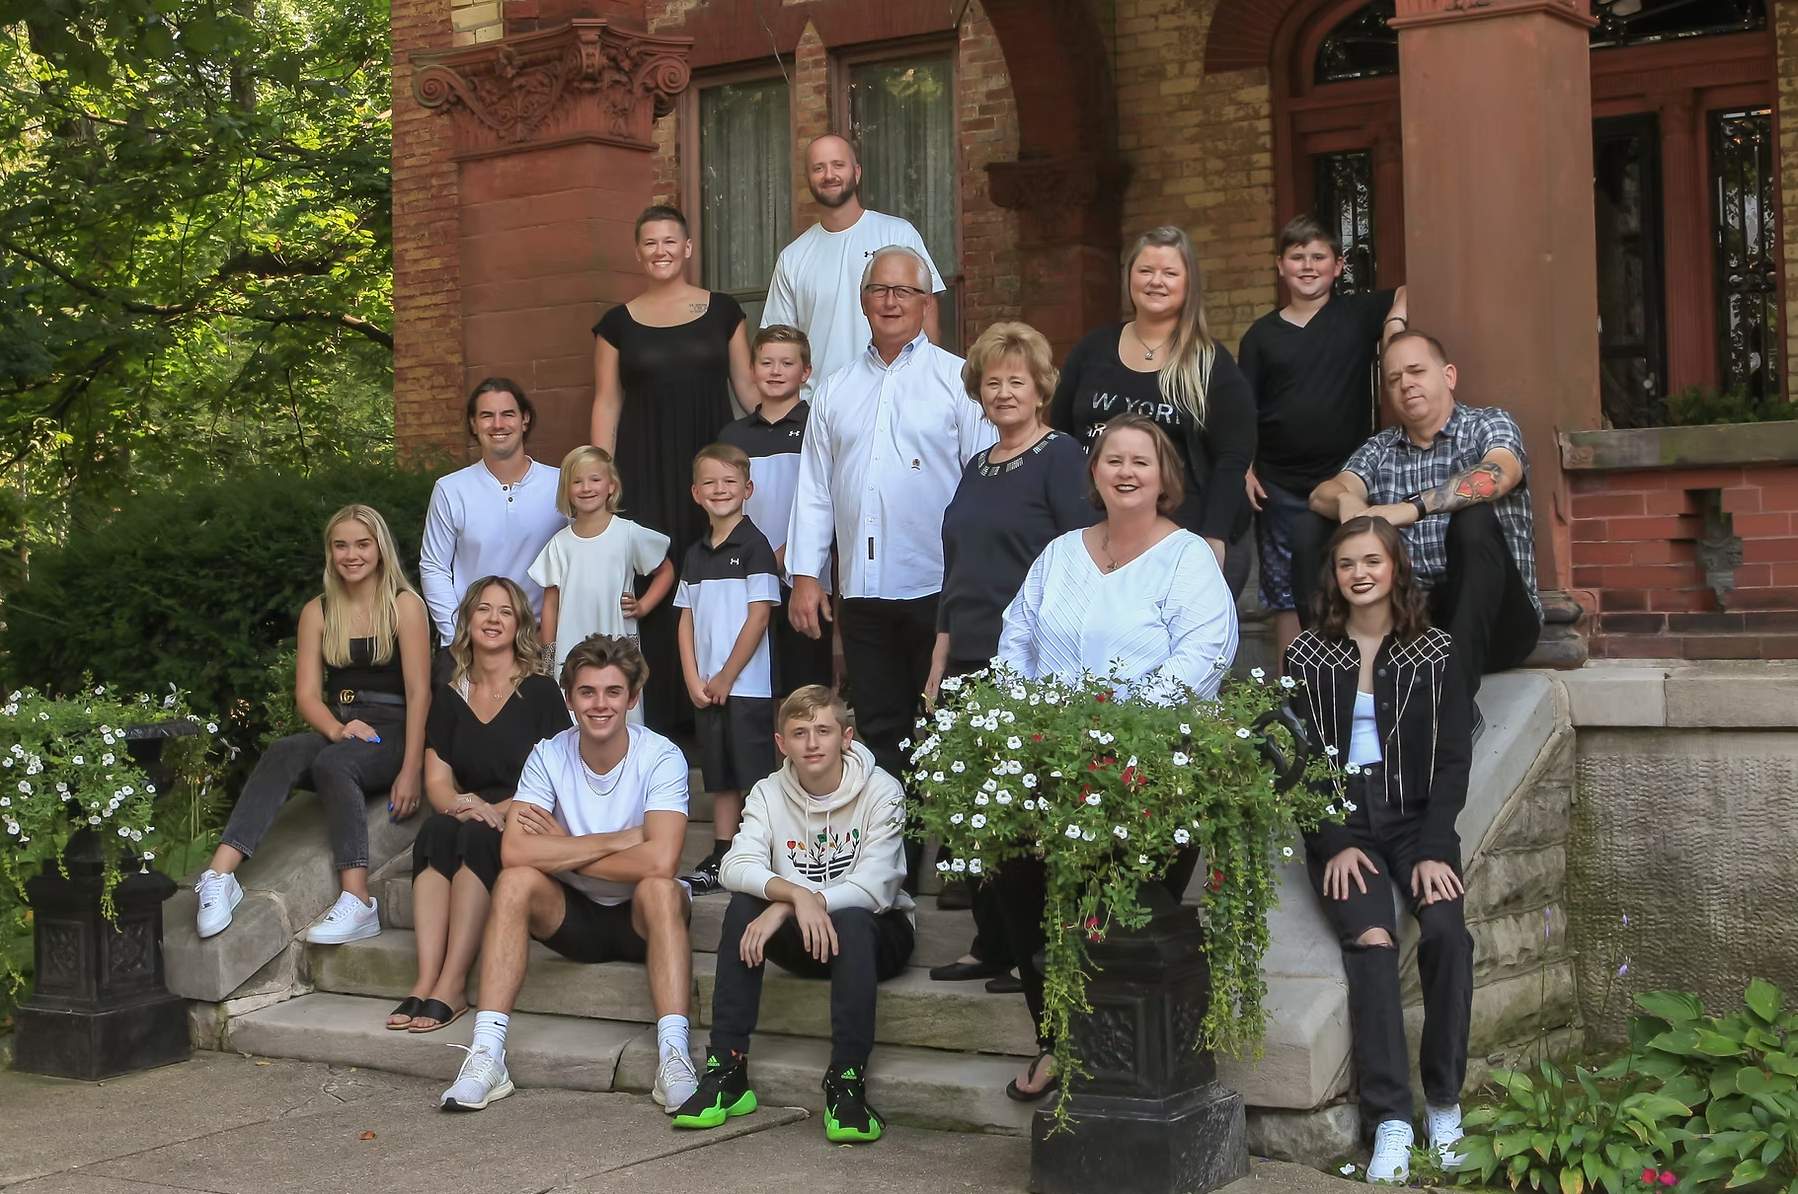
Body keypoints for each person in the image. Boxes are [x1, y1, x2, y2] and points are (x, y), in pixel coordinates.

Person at [991, 413, 1240, 1100]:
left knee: (1123, 905)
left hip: (1150, 766)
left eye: (1142, 461)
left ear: (1165, 478)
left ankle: (1117, 1047)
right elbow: (1018, 638)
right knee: (1020, 880)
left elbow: (1204, 655)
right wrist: (1027, 717)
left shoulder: (1189, 557)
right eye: (1112, 460)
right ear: (1094, 475)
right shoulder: (1061, 552)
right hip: (1050, 756)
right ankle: (1057, 1039)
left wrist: (1119, 730)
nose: (1126, 471)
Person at [786, 245, 997, 883]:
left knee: (952, 720)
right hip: (864, 590)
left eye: (905, 291)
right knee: (879, 724)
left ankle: (959, 862)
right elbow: (815, 488)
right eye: (881, 290)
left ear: (926, 302)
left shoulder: (959, 381)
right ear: (864, 300)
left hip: (939, 583)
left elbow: (985, 480)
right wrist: (806, 575)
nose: (892, 301)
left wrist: (979, 580)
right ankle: (891, 859)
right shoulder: (835, 390)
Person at [1282, 515, 1474, 1184]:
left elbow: (1452, 761)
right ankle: (1390, 1119)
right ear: (1333, 576)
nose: (1359, 573)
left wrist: (1433, 848)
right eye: (1345, 564)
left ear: (1396, 567)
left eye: (1372, 560)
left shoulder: (1437, 652)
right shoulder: (1308, 655)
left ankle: (1444, 1106)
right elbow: (1296, 760)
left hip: (1415, 821)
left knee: (1446, 930)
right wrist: (1330, 840)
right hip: (1344, 819)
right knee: (1371, 939)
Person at [438, 634, 698, 1114]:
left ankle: (674, 1056)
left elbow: (661, 861)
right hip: (572, 914)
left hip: (641, 916)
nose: (600, 705)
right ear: (569, 699)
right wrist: (619, 839)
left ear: (633, 698)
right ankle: (487, 1054)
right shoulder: (548, 754)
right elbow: (515, 851)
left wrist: (559, 846)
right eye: (587, 692)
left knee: (661, 889)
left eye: (613, 692)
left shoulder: (660, 756)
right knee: (514, 882)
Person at [923, 320, 1094, 982]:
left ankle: (1035, 951)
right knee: (976, 811)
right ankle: (989, 943)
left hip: (1027, 662)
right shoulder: (976, 465)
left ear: (1041, 387)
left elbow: (1079, 565)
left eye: (1015, 380)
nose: (1002, 392)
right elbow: (956, 568)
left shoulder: (1061, 457)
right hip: (964, 654)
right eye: (991, 381)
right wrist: (938, 665)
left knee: (1026, 817)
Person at [671, 685, 913, 1144]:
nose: (812, 742)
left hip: (877, 937)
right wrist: (795, 901)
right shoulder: (767, 792)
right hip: (805, 939)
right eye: (799, 733)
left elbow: (877, 885)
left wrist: (793, 901)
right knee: (743, 908)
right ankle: (728, 1069)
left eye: (823, 730)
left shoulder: (882, 789)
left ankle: (846, 1082)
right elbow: (734, 865)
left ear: (846, 736)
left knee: (855, 918)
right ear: (782, 744)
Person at [195, 506, 430, 944]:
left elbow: (420, 693)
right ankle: (219, 875)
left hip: (391, 729)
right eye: (341, 545)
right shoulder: (318, 611)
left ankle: (358, 901)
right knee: (286, 750)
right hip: (340, 725)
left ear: (380, 549)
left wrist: (411, 770)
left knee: (335, 766)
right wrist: (338, 730)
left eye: (362, 544)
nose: (351, 554)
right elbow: (307, 695)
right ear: (329, 552)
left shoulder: (405, 605)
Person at [1302, 330, 1542, 716]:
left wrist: (1411, 508)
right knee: (1309, 527)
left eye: (1416, 371)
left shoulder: (1487, 424)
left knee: (1474, 519)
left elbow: (1501, 472)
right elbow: (1321, 494)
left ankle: (1453, 706)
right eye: (1394, 379)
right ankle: (1329, 677)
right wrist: (1347, 499)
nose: (1405, 384)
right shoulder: (1381, 449)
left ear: (1448, 376)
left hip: (1499, 622)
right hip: (1416, 622)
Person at [591, 205, 757, 732]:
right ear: (637, 252)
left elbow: (749, 391)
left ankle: (715, 718)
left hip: (713, 475)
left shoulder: (725, 311)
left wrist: (796, 431)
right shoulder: (616, 324)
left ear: (687, 248)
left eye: (670, 241)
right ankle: (656, 726)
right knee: (651, 589)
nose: (661, 251)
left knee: (713, 584)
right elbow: (606, 403)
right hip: (641, 470)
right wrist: (601, 481)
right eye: (650, 243)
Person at [389, 577, 571, 1033]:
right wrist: (463, 803)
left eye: (505, 612)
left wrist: (499, 810)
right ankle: (426, 977)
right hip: (470, 812)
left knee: (473, 835)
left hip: (526, 814)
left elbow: (559, 774)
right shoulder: (450, 696)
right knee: (435, 832)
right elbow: (437, 780)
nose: (493, 619)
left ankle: (452, 984)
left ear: (519, 625)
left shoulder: (542, 692)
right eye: (484, 610)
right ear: (468, 620)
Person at [1049, 226, 1256, 597]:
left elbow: (1232, 457)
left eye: (1169, 273)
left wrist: (1213, 538)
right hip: (1096, 529)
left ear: (1188, 282)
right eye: (1145, 270)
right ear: (1130, 276)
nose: (1155, 281)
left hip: (1183, 536)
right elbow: (1061, 436)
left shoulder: (1209, 363)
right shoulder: (1093, 349)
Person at [1239, 215, 1407, 660]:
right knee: (1284, 591)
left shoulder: (1357, 313)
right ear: (1280, 265)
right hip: (1279, 484)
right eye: (1297, 257)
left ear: (1339, 265)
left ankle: (1360, 676)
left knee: (1354, 576)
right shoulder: (1261, 336)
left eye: (1319, 257)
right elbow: (1243, 410)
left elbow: (1411, 290)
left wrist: (1394, 327)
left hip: (1346, 481)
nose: (1308, 266)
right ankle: (1295, 692)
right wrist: (1245, 466)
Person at [674, 443, 782, 894]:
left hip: (747, 686)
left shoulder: (755, 547)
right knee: (719, 775)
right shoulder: (696, 553)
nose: (720, 490)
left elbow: (759, 616)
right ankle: (722, 854)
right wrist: (692, 678)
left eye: (730, 481)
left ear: (748, 488)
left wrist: (726, 676)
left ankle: (761, 854)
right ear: (696, 493)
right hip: (707, 687)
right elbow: (686, 619)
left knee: (753, 774)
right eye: (710, 483)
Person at [762, 135, 946, 388]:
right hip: (821, 407)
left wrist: (928, 388)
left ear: (856, 173)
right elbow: (780, 345)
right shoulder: (793, 257)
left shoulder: (898, 234)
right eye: (819, 167)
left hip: (898, 396)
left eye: (838, 165)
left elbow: (928, 319)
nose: (829, 175)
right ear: (808, 179)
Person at [717, 324, 834, 696]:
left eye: (787, 363)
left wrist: (787, 555)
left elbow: (829, 503)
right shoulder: (732, 436)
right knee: (755, 683)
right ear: (751, 370)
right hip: (747, 577)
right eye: (766, 362)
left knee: (806, 685)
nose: (776, 371)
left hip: (805, 575)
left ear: (806, 372)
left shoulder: (819, 428)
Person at [420, 379, 567, 647]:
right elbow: (434, 567)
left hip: (542, 638)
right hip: (473, 641)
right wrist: (456, 636)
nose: (498, 424)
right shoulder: (451, 489)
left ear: (525, 419)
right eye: (487, 415)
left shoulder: (562, 485)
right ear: (474, 424)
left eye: (507, 414)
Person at [528, 444, 675, 710]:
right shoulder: (560, 544)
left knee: (621, 710)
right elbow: (550, 605)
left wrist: (643, 606)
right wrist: (549, 661)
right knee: (572, 718)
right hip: (569, 651)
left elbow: (665, 571)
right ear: (566, 490)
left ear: (611, 486)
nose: (586, 487)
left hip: (618, 644)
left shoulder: (628, 534)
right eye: (577, 481)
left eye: (595, 479)